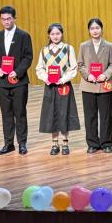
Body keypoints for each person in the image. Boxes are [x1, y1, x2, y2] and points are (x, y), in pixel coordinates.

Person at [0, 6, 33, 156]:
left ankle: (22, 143)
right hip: (2, 81)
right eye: (3, 19)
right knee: (6, 113)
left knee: (20, 112)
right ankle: (8, 143)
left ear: (15, 18)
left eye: (9, 19)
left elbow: (28, 57)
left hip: (19, 81)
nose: (6, 22)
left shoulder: (23, 36)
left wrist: (17, 72)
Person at [36, 23, 80, 156]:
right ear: (49, 35)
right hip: (50, 86)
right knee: (51, 114)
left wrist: (63, 79)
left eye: (58, 33)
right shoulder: (44, 50)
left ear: (62, 34)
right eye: (52, 34)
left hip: (63, 86)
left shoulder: (68, 48)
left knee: (64, 113)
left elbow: (73, 67)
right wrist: (46, 78)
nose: (55, 36)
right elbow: (39, 68)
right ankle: (54, 143)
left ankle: (65, 142)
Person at [77, 18, 112, 154]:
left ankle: (106, 143)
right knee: (90, 116)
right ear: (89, 30)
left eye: (97, 28)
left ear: (102, 29)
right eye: (92, 28)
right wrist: (88, 75)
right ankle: (92, 143)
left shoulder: (109, 46)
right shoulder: (83, 46)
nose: (95, 31)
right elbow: (80, 64)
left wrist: (105, 75)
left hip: (104, 84)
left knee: (106, 115)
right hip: (88, 84)